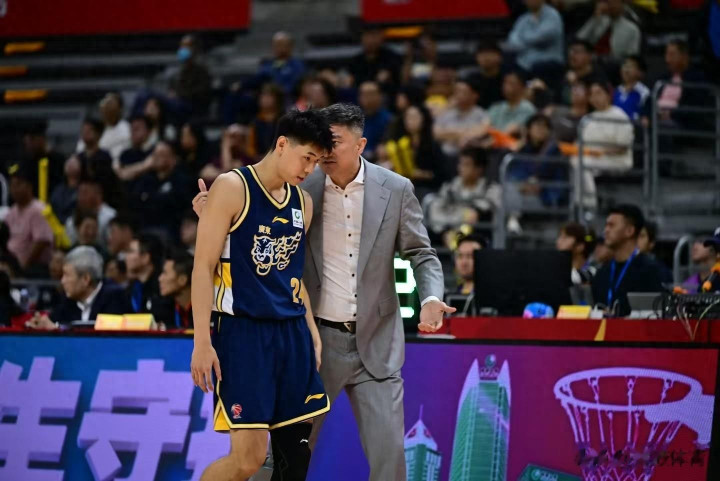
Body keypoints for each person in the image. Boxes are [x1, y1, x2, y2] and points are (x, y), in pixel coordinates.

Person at [303, 104, 451, 480]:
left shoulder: (396, 189)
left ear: (360, 145)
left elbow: (421, 253)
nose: (325, 151)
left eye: (335, 142)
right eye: (321, 142)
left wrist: (430, 298)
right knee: (287, 453)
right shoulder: (301, 188)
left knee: (390, 459)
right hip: (315, 342)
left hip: (377, 340)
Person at [190, 109, 332, 481]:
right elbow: (203, 267)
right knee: (248, 460)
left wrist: (312, 332)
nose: (309, 169)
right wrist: (202, 341)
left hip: (292, 335)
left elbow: (292, 279)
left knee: (295, 458)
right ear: (282, 144)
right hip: (244, 334)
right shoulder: (232, 187)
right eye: (306, 158)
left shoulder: (303, 203)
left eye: (316, 162)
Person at [26, 246, 130, 328]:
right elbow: (52, 321)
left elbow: (104, 339)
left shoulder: (115, 298)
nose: (62, 281)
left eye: (67, 275)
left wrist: (56, 330)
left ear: (85, 279)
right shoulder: (68, 301)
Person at [591, 204, 664, 316]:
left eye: (611, 225)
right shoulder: (602, 272)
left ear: (629, 231)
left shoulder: (650, 271)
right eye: (606, 225)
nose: (606, 230)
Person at [572, 81, 634, 208]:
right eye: (591, 94)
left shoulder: (619, 116)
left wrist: (599, 153)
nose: (595, 97)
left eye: (598, 93)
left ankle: (588, 206)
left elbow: (622, 147)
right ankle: (576, 204)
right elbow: (579, 143)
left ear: (608, 95)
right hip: (590, 157)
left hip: (616, 159)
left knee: (582, 163)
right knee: (574, 161)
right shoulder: (587, 119)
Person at [427, 146, 501, 236]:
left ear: (479, 169)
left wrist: (475, 212)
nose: (461, 168)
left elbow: (488, 209)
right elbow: (436, 211)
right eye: (460, 164)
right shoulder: (449, 188)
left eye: (466, 165)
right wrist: (444, 232)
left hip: (476, 235)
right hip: (447, 233)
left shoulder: (491, 188)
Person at [129, 141, 193, 239]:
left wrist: (150, 199)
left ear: (173, 159)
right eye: (155, 155)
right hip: (145, 226)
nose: (156, 158)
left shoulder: (181, 179)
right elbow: (136, 201)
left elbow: (175, 205)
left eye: (161, 154)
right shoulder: (147, 179)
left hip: (170, 229)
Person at [384, 104, 447, 197]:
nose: (410, 121)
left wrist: (422, 174)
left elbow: (442, 174)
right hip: (404, 186)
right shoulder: (401, 143)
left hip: (426, 188)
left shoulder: (432, 145)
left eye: (414, 117)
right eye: (408, 117)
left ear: (423, 119)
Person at [5, 167, 54, 276]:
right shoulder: (12, 211)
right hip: (11, 265)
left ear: (29, 186)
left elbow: (41, 241)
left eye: (18, 184)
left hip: (34, 268)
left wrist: (22, 267)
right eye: (12, 185)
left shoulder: (39, 209)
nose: (14, 189)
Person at [655, 40, 707, 130]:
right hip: (656, 118)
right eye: (666, 55)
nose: (667, 60)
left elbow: (694, 107)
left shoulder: (696, 79)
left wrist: (671, 114)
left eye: (672, 55)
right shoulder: (663, 78)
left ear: (684, 56)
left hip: (680, 124)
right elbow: (649, 99)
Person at [506, 0, 565, 77]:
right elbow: (512, 39)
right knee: (507, 61)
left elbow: (542, 37)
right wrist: (525, 41)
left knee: (538, 68)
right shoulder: (523, 18)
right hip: (524, 62)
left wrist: (522, 38)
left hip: (549, 61)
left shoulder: (553, 15)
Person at [75, 117, 124, 209]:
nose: (85, 133)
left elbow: (103, 182)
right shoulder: (78, 157)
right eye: (84, 130)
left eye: (89, 130)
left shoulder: (104, 156)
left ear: (99, 134)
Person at [13, 120, 66, 204]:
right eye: (27, 141)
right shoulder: (26, 162)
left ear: (42, 139)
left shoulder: (58, 160)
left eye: (32, 140)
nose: (29, 144)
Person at [433, 80, 489, 157]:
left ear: (474, 95)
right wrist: (463, 133)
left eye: (463, 92)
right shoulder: (446, 113)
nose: (458, 95)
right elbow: (435, 133)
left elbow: (482, 131)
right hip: (443, 155)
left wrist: (448, 134)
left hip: (468, 156)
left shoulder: (481, 114)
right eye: (456, 91)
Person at [576, 0, 641, 61]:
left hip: (613, 64)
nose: (611, 5)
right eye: (608, 2)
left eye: (614, 3)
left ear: (623, 4)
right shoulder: (600, 19)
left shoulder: (632, 29)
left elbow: (632, 57)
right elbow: (580, 38)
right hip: (589, 59)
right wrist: (595, 18)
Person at [77, 93, 131, 162]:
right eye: (105, 103)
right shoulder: (93, 128)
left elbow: (118, 157)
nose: (106, 106)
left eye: (110, 103)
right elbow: (80, 150)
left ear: (120, 109)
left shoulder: (127, 129)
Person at [64, 178, 116, 249]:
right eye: (79, 193)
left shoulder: (110, 216)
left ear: (97, 194)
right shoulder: (71, 221)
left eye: (85, 193)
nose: (80, 197)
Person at [125, 233, 167, 315]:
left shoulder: (161, 289)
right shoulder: (131, 290)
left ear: (145, 258)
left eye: (131, 251)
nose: (126, 257)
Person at [349, 28, 402, 92]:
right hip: (361, 93)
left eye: (374, 36)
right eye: (367, 36)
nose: (371, 40)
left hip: (385, 93)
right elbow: (351, 79)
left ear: (381, 37)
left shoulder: (391, 57)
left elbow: (399, 80)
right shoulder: (356, 60)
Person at [487, 70, 537, 137]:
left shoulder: (527, 108)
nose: (506, 87)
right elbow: (485, 126)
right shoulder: (496, 107)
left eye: (511, 83)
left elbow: (511, 131)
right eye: (505, 83)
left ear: (522, 87)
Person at [257, 31, 306, 97]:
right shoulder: (267, 65)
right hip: (269, 97)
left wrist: (279, 91)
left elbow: (296, 85)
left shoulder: (298, 65)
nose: (279, 48)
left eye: (282, 44)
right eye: (276, 45)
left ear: (290, 46)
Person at [248, 84, 286, 161]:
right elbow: (251, 148)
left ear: (277, 99)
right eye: (263, 96)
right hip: (259, 160)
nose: (265, 99)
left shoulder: (284, 120)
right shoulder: (256, 122)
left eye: (269, 96)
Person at [358, 81, 392, 162]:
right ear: (360, 98)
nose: (368, 98)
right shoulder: (354, 120)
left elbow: (389, 142)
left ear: (380, 96)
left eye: (371, 94)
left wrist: (385, 146)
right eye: (364, 94)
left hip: (380, 161)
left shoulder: (388, 119)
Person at [158, 251, 194, 329]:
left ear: (182, 280)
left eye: (165, 273)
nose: (160, 279)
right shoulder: (164, 309)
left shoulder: (207, 311)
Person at [465, 41, 505, 109]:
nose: (486, 57)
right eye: (481, 53)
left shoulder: (507, 79)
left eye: (489, 53)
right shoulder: (470, 80)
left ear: (500, 57)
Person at [116, 115, 156, 182]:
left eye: (137, 129)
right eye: (131, 129)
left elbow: (123, 173)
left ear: (149, 131)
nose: (133, 132)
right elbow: (121, 174)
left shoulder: (155, 151)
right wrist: (144, 166)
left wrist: (127, 171)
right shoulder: (125, 154)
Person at [612, 55, 650, 122]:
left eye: (631, 66)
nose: (626, 70)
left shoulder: (644, 92)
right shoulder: (617, 90)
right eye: (625, 65)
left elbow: (645, 119)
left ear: (640, 72)